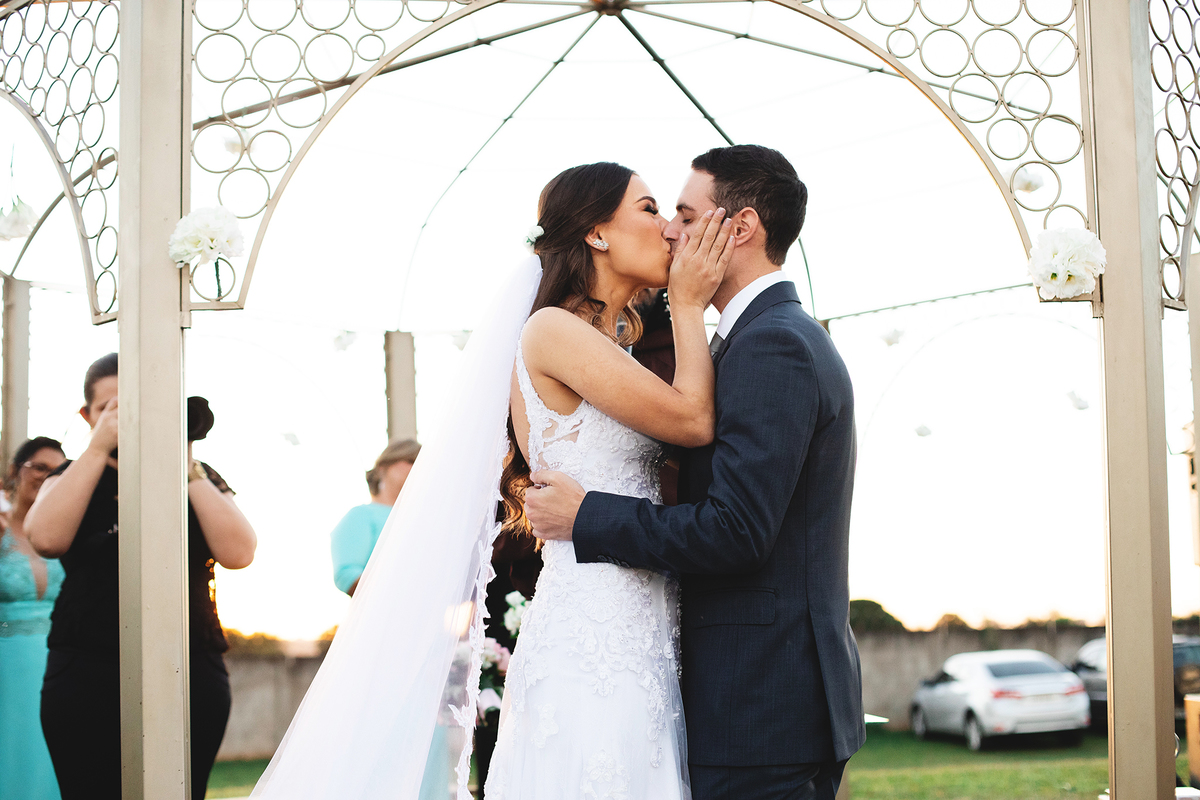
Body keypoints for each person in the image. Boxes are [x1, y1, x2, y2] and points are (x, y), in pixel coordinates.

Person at [248, 162, 733, 800]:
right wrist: (692, 305)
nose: (671, 230)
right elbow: (694, 420)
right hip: (595, 628)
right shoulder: (553, 330)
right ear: (596, 233)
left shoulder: (617, 341)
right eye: (649, 209)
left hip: (644, 617)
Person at [527, 145, 865, 800]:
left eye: (683, 213)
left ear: (739, 229)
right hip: (731, 698)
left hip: (760, 706)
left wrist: (586, 515)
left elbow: (737, 531)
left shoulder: (773, 345)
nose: (670, 230)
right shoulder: (751, 339)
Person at [26, 354, 258, 800]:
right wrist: (98, 448)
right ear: (87, 415)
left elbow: (239, 552)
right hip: (85, 666)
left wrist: (183, 461)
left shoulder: (198, 476)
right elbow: (46, 538)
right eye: (110, 407)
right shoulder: (70, 474)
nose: (124, 417)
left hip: (189, 664)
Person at [0, 436, 67, 800]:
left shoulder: (67, 533)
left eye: (57, 470)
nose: (46, 476)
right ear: (15, 471)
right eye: (38, 466)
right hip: (6, 664)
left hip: (59, 660)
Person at [330, 438, 420, 596]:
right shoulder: (361, 515)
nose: (418, 466)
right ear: (383, 467)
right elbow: (347, 575)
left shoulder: (422, 518)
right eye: (411, 460)